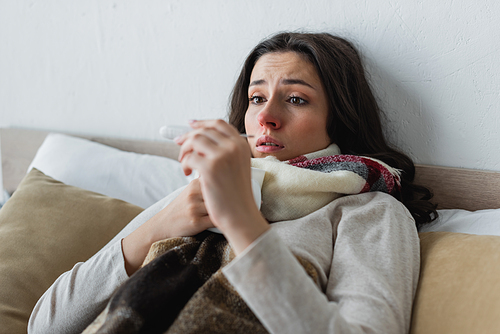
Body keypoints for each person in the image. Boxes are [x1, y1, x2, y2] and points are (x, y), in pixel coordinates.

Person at [28, 32, 436, 333]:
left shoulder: (369, 211)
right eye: (257, 98)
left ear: (339, 117)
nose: (266, 117)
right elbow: (45, 325)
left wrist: (241, 219)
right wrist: (160, 225)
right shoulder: (198, 193)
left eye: (296, 99)